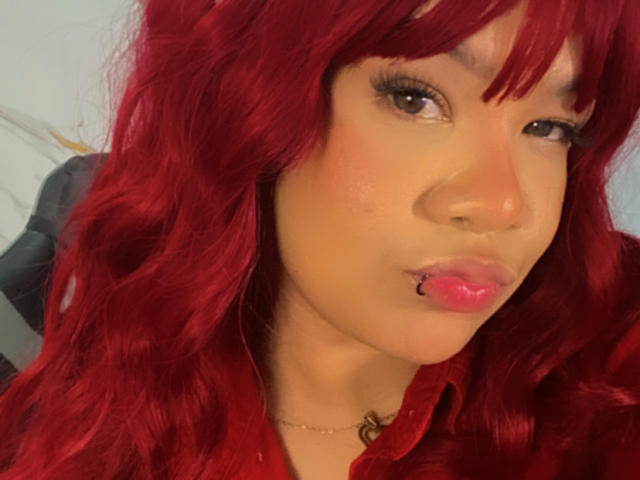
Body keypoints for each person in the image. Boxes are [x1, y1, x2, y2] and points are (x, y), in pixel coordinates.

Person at [0, 0, 639, 478]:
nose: (504, 206)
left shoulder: (610, 363)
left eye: (551, 127)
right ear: (248, 100)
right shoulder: (67, 366)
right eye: (414, 99)